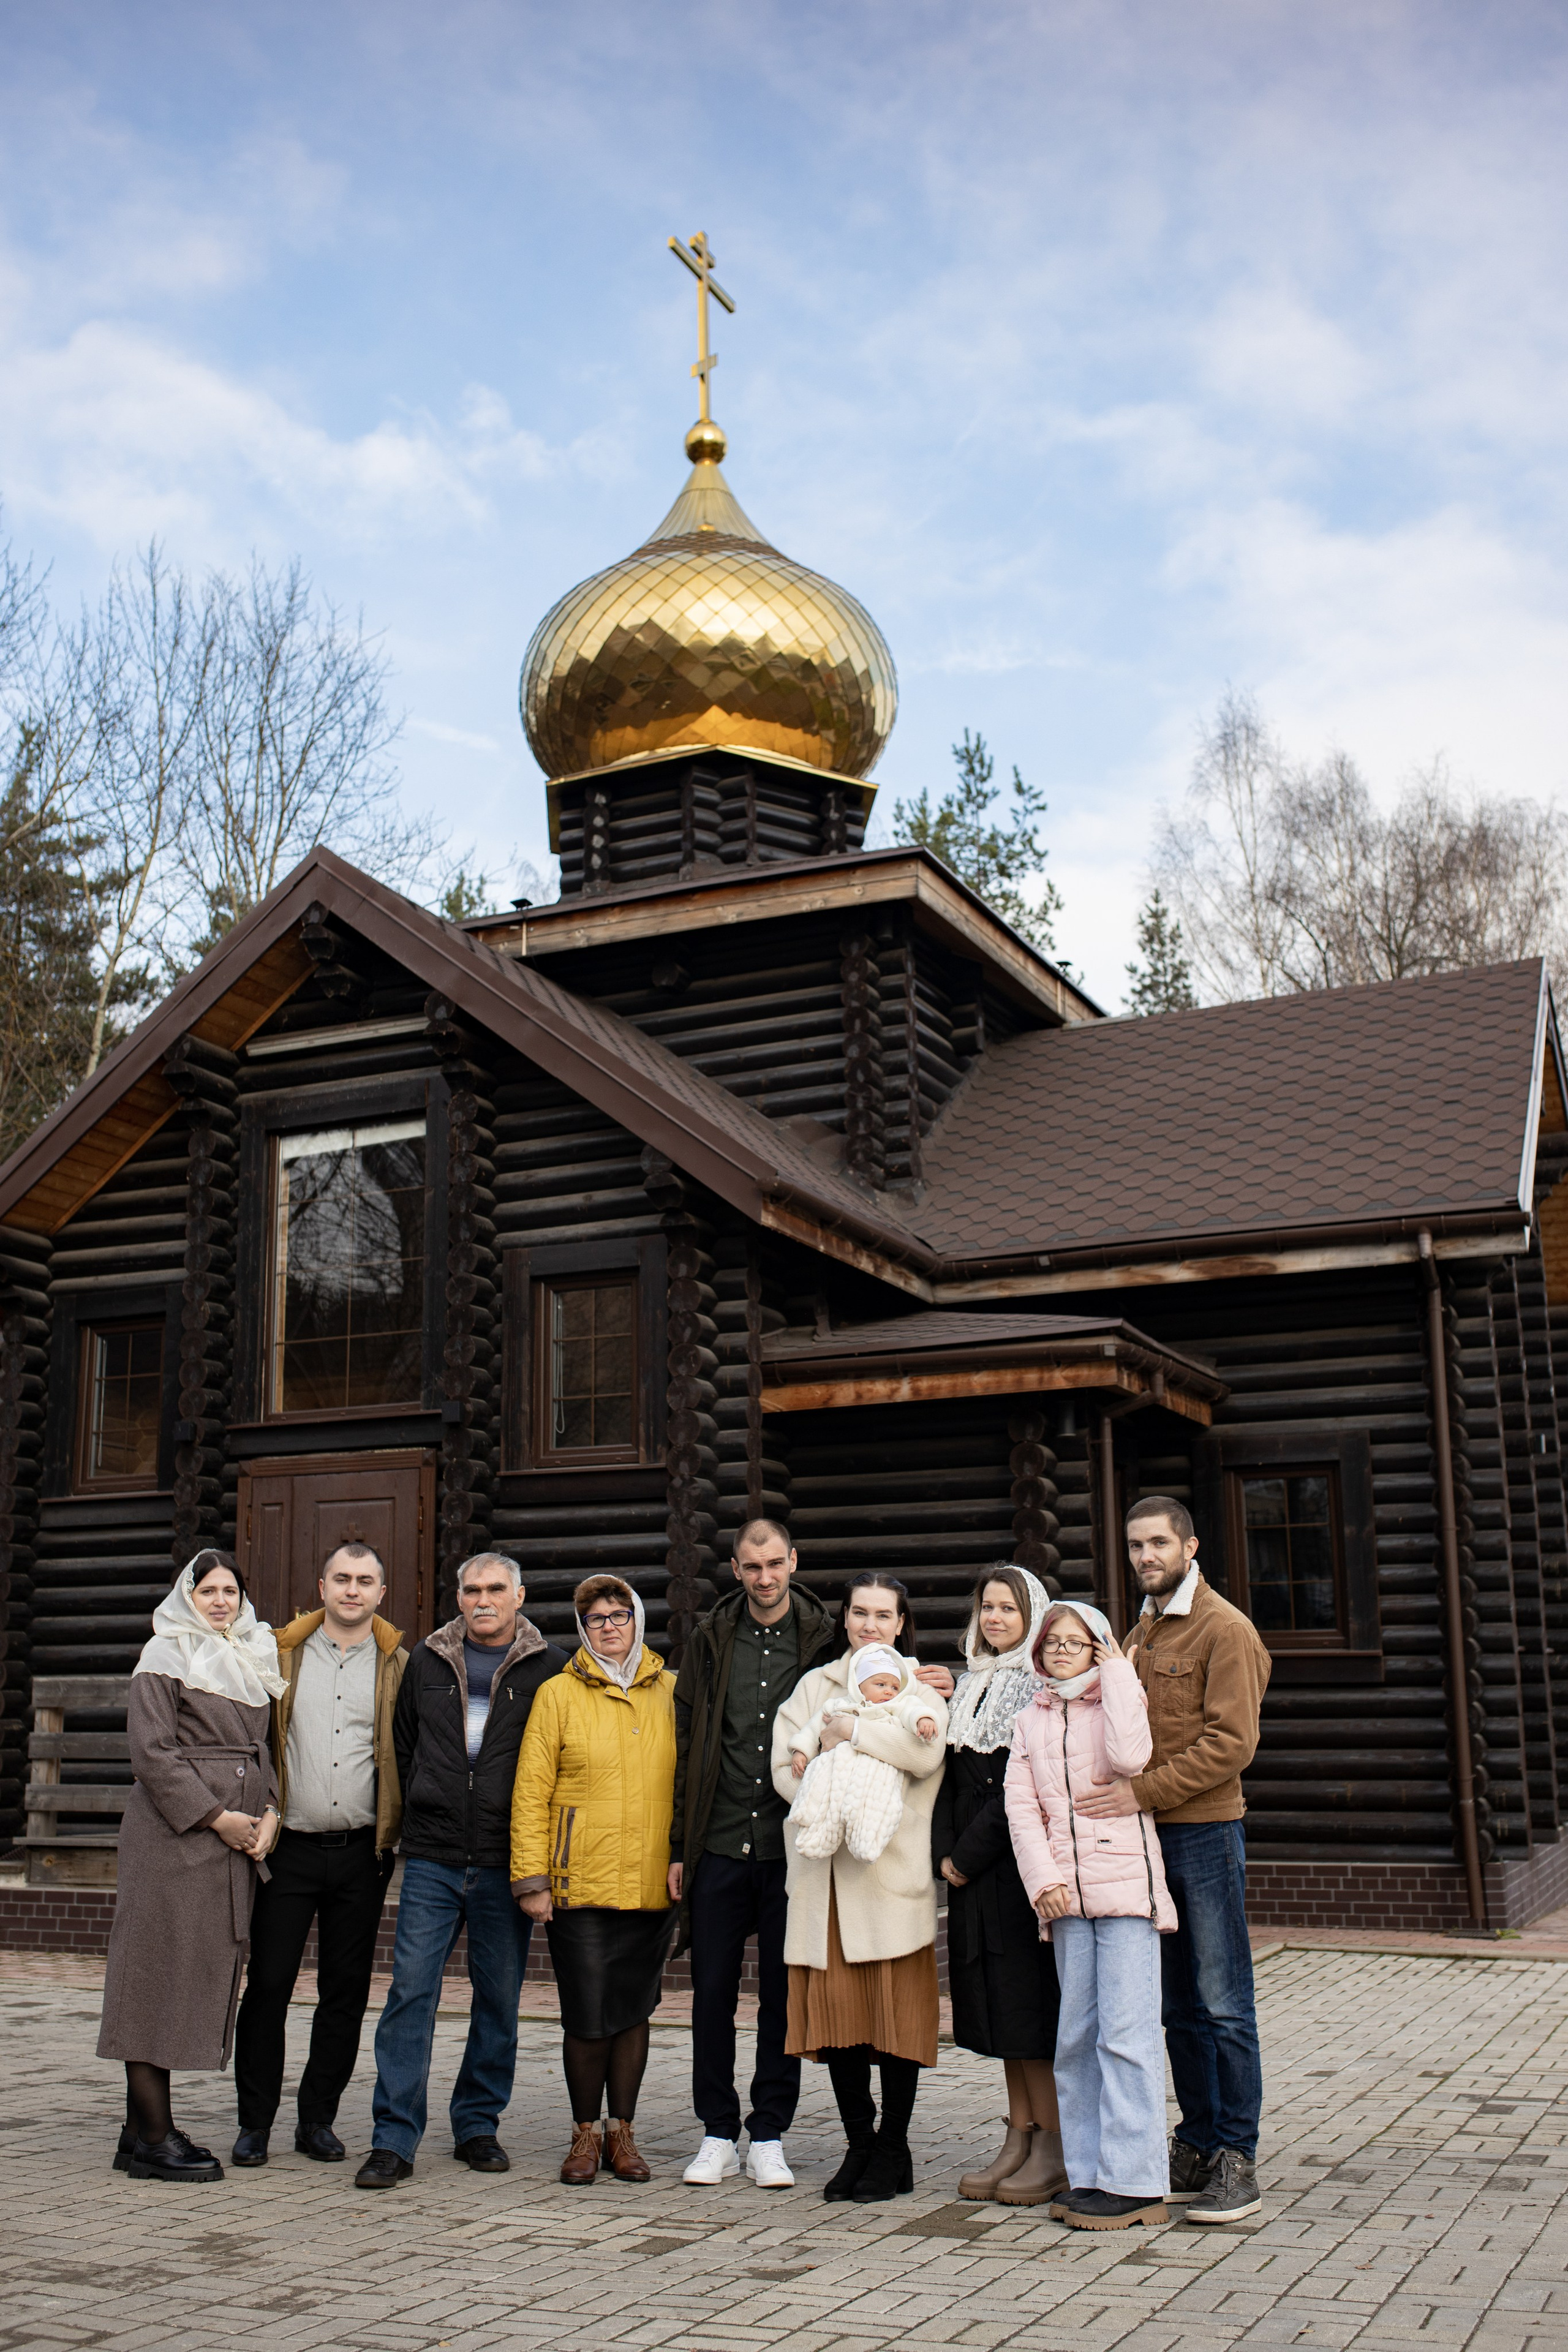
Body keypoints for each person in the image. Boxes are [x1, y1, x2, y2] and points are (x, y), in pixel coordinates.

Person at [1072, 1497, 1272, 2225]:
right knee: (1178, 2007)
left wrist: (1140, 1793)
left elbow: (1230, 1746)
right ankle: (1194, 2141)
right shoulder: (1140, 1631)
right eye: (1135, 1545)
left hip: (1206, 1835)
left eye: (1158, 1542)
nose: (1145, 1556)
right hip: (1149, 1843)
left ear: (1189, 1546)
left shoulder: (1226, 1629)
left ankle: (1235, 2159)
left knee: (1222, 2001)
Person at [354, 1552, 568, 2189]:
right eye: (472, 1589)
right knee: (409, 1996)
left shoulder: (548, 1667)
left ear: (519, 1595)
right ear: (458, 1596)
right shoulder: (425, 1661)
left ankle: (477, 2124)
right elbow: (402, 1745)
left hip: (507, 1860)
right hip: (432, 1857)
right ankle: (393, 2139)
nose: (483, 1599)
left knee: (499, 2000)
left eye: (495, 1589)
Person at [98, 1551, 282, 2184]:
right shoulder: (165, 1655)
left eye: (231, 1590)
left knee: (188, 1975)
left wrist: (272, 1812)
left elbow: (266, 1750)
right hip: (174, 1844)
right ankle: (154, 2138)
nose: (221, 1601)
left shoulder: (255, 1653)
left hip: (229, 1846)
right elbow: (152, 1754)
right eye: (208, 1591)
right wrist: (215, 1817)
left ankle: (136, 2132)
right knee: (155, 1975)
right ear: (188, 1596)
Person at [668, 1518, 837, 2192]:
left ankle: (768, 2132)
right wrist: (678, 1846)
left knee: (780, 1998)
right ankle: (716, 2131)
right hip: (716, 1845)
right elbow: (686, 1750)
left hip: (789, 1850)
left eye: (774, 1564)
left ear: (793, 1561)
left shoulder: (822, 1640)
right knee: (709, 1994)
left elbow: (883, 1679)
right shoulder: (711, 1640)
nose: (764, 1577)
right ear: (735, 1570)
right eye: (751, 1566)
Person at [771, 1573, 950, 2204]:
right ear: (844, 1620)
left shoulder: (918, 1687)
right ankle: (859, 2143)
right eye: (859, 1613)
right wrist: (831, 1790)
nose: (870, 1624)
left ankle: (895, 2148)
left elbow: (923, 1755)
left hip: (888, 1879)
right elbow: (782, 1768)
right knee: (840, 2024)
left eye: (883, 1614)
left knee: (895, 2024)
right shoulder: (814, 1687)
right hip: (827, 1881)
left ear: (902, 1623)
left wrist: (848, 1736)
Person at [231, 1540, 407, 2166]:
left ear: (381, 1593)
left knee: (345, 1992)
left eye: (364, 1580)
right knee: (270, 1986)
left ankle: (317, 2121)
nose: (352, 1590)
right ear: (322, 1585)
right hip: (289, 1853)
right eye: (341, 1578)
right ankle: (255, 2124)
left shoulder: (398, 1666)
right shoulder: (278, 1653)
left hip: (362, 1852)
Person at [1005, 1599, 1177, 2232]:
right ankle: (1089, 2175)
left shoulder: (1116, 1701)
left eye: (1076, 1644)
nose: (1060, 1653)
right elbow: (1021, 1810)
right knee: (1075, 2039)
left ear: (1098, 1649)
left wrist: (1122, 1678)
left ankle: (1136, 2185)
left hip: (1127, 1894)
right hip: (1067, 1899)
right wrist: (1042, 1881)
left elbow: (1133, 1759)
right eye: (1052, 1643)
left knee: (1126, 2037)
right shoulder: (1030, 1719)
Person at [511, 1575, 677, 2184]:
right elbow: (531, 1791)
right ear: (583, 1628)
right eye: (597, 1618)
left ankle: (621, 2135)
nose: (610, 1626)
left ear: (638, 1619)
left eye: (619, 1614)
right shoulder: (557, 1694)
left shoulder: (671, 1692)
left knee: (634, 2013)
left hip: (650, 1882)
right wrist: (531, 1879)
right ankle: (584, 2133)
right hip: (577, 1881)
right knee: (586, 2015)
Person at [933, 1564, 1068, 2207]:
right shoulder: (969, 1682)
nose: (994, 1619)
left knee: (1028, 2009)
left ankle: (1054, 2144)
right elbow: (949, 1779)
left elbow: (1017, 1789)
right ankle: (1018, 2132)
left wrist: (962, 1856)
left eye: (1007, 1609)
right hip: (971, 1876)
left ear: (1031, 1618)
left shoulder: (1037, 1688)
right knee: (997, 2007)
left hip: (1013, 1871)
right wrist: (944, 1857)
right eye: (986, 1607)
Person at [787, 1645, 943, 1860]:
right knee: (820, 1797)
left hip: (875, 1772)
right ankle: (815, 1835)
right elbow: (814, 1728)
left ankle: (868, 1843)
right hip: (834, 1769)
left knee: (874, 1807)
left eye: (895, 1687)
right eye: (880, 1685)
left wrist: (923, 1719)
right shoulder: (840, 1706)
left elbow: (913, 1710)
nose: (889, 1691)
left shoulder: (896, 1706)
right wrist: (801, 1751)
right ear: (859, 1686)